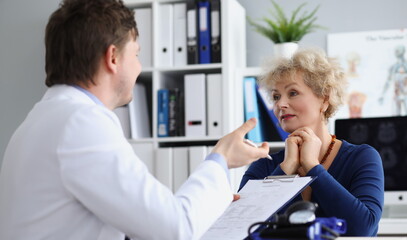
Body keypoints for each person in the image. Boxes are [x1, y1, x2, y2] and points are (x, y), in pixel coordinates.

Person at [0, 0, 270, 239]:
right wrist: (220, 158)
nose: (139, 66)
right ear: (113, 57)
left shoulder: (37, 122)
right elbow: (176, 228)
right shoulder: (82, 123)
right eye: (137, 54)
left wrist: (213, 199)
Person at [239, 48, 384, 236]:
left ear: (324, 99)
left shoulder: (362, 157)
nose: (280, 104)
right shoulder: (264, 167)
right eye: (276, 96)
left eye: (292, 93)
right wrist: (285, 170)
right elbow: (240, 230)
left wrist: (313, 167)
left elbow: (363, 229)